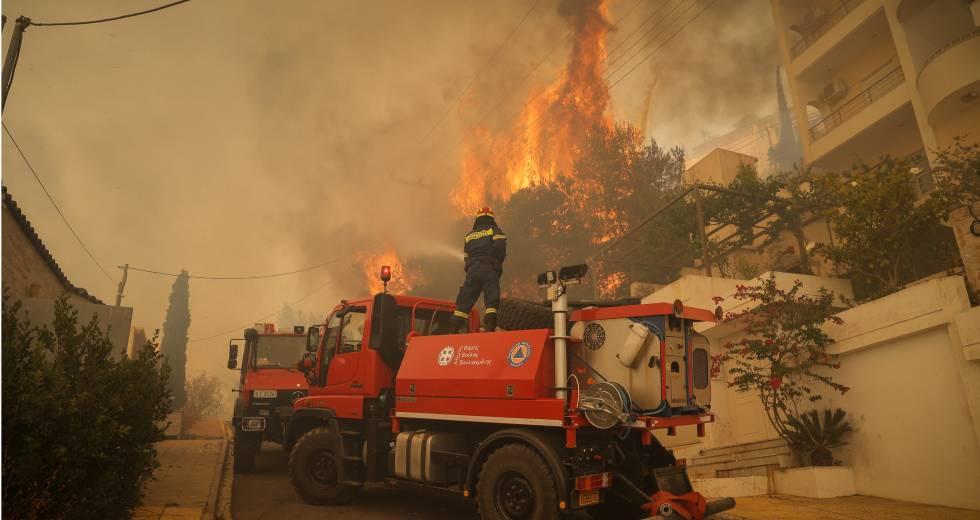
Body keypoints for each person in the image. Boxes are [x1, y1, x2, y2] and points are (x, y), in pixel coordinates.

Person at [452, 206, 506, 332]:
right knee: (491, 299)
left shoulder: (469, 235)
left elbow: (466, 256)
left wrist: (470, 269)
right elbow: (500, 248)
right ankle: (490, 327)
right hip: (489, 268)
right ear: (492, 219)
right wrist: (497, 264)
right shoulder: (495, 231)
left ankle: (453, 329)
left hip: (472, 270)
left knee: (465, 300)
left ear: (477, 219)